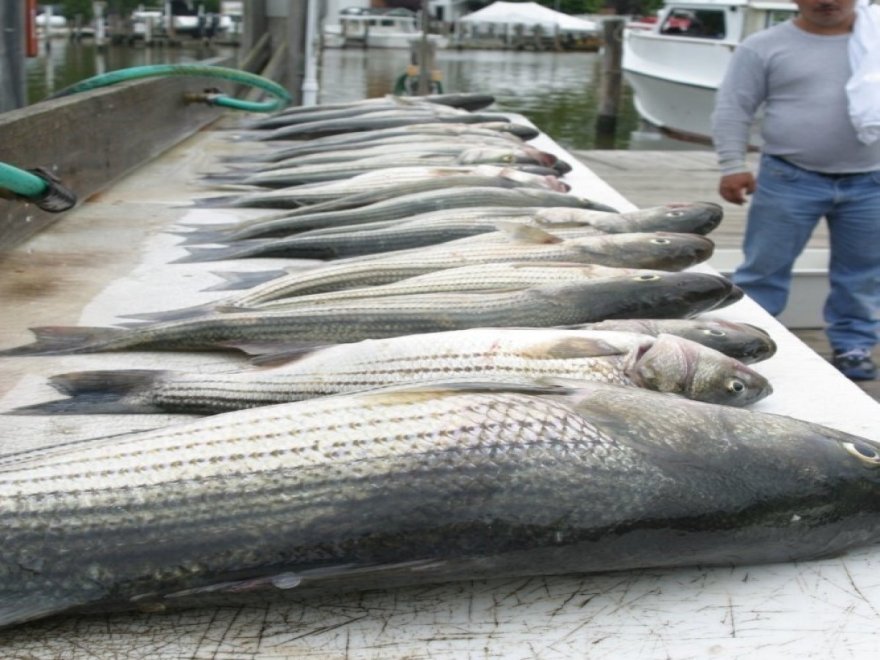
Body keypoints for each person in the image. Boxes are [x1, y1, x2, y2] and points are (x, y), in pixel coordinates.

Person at [711, 0, 880, 380]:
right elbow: (733, 107)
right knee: (763, 269)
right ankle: (749, 340)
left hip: (872, 180)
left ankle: (854, 345)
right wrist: (732, 165)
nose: (827, 1)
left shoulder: (876, 40)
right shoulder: (763, 46)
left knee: (864, 274)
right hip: (788, 177)